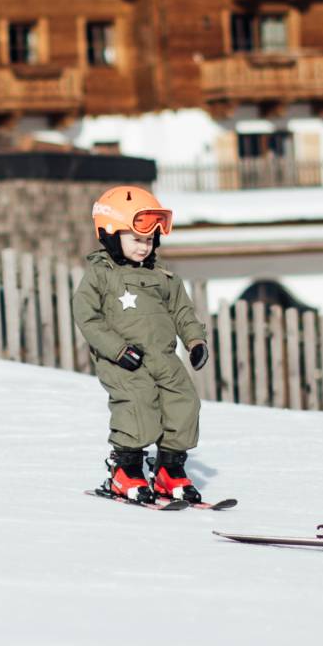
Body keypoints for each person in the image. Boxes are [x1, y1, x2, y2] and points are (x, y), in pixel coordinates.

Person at [73, 185, 210, 504]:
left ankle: (169, 470)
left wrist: (195, 341)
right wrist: (117, 349)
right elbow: (86, 316)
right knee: (138, 403)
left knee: (184, 402)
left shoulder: (164, 277)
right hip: (124, 360)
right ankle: (126, 470)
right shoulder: (101, 275)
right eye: (136, 238)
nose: (144, 246)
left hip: (164, 357)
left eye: (149, 240)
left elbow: (182, 312)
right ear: (110, 234)